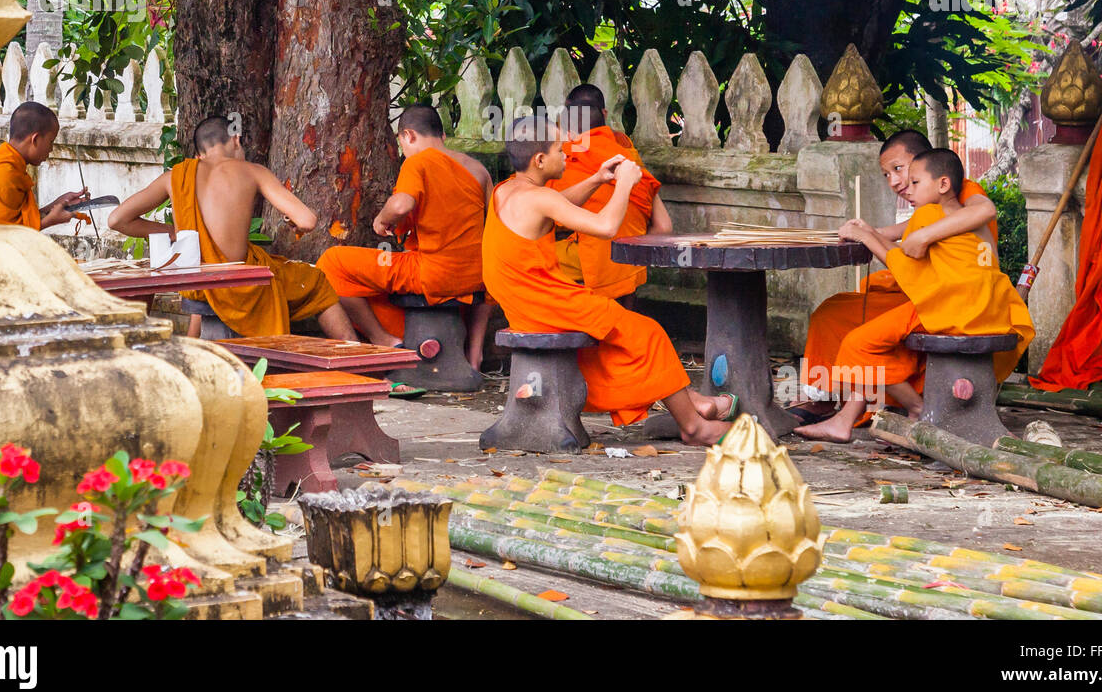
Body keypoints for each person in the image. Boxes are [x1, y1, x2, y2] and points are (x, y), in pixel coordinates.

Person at [483, 114, 736, 447]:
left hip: (526, 303)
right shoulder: (539, 198)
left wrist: (598, 179)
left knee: (622, 342)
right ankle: (694, 426)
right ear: (540, 160)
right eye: (561, 150)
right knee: (650, 334)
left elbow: (557, 206)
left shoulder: (508, 190)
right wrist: (626, 183)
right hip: (547, 304)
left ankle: (692, 403)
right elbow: (605, 227)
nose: (567, 156)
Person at [794, 148, 1033, 442]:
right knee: (867, 329)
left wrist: (868, 237)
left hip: (952, 309)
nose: (902, 184)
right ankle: (845, 420)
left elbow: (910, 269)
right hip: (990, 310)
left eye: (912, 179)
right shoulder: (962, 214)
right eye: (889, 175)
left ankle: (917, 407)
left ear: (942, 183)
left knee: (858, 345)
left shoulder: (931, 212)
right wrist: (873, 233)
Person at [108, 115, 356, 340]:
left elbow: (117, 220)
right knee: (316, 282)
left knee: (206, 274)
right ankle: (356, 361)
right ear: (236, 140)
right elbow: (307, 221)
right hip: (241, 284)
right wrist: (291, 220)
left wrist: (173, 233)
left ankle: (192, 352)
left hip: (196, 283)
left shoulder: (176, 176)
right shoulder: (252, 171)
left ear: (199, 156)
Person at [319, 104, 494, 364]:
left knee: (332, 263)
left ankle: (381, 339)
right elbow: (493, 224)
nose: (404, 152)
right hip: (477, 275)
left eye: (402, 145)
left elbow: (402, 204)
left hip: (431, 273)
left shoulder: (418, 162)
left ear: (408, 136)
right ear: (442, 136)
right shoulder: (478, 169)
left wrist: (382, 219)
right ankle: (475, 354)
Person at [553, 83, 672, 301]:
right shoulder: (626, 153)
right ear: (604, 114)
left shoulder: (565, 156)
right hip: (630, 261)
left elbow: (551, 218)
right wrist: (631, 255)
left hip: (590, 262)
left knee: (525, 257)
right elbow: (664, 227)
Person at [0, 101, 89, 230]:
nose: (51, 149)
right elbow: (8, 234)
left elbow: (21, 222)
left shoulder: (2, 162)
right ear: (35, 139)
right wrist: (50, 221)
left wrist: (57, 204)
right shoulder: (4, 174)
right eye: (51, 142)